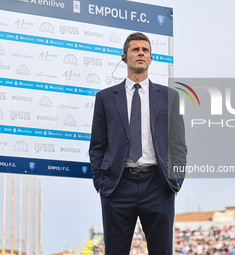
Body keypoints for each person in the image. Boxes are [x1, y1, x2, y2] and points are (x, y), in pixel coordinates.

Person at [89, 32, 187, 254]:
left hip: (158, 185)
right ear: (124, 56)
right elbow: (97, 146)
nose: (141, 53)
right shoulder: (105, 98)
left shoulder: (169, 97)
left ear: (151, 58)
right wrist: (100, 182)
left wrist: (176, 181)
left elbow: (178, 146)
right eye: (135, 49)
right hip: (117, 185)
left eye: (145, 50)